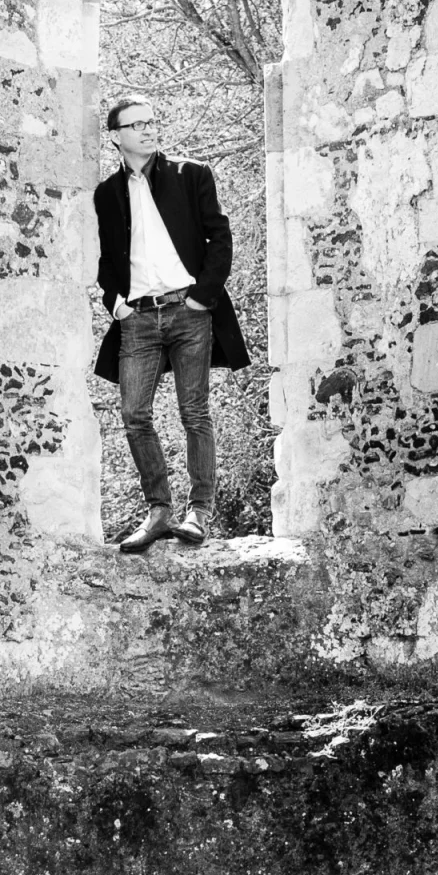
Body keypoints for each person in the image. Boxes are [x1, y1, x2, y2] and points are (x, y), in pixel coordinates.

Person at [92, 95, 250, 553]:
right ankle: (159, 510)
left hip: (189, 312)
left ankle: (200, 511)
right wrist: (113, 302)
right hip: (137, 317)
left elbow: (220, 237)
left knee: (193, 412)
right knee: (133, 415)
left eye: (152, 122)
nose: (147, 130)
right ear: (117, 136)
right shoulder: (107, 193)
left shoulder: (190, 175)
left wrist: (204, 297)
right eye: (136, 125)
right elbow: (106, 260)